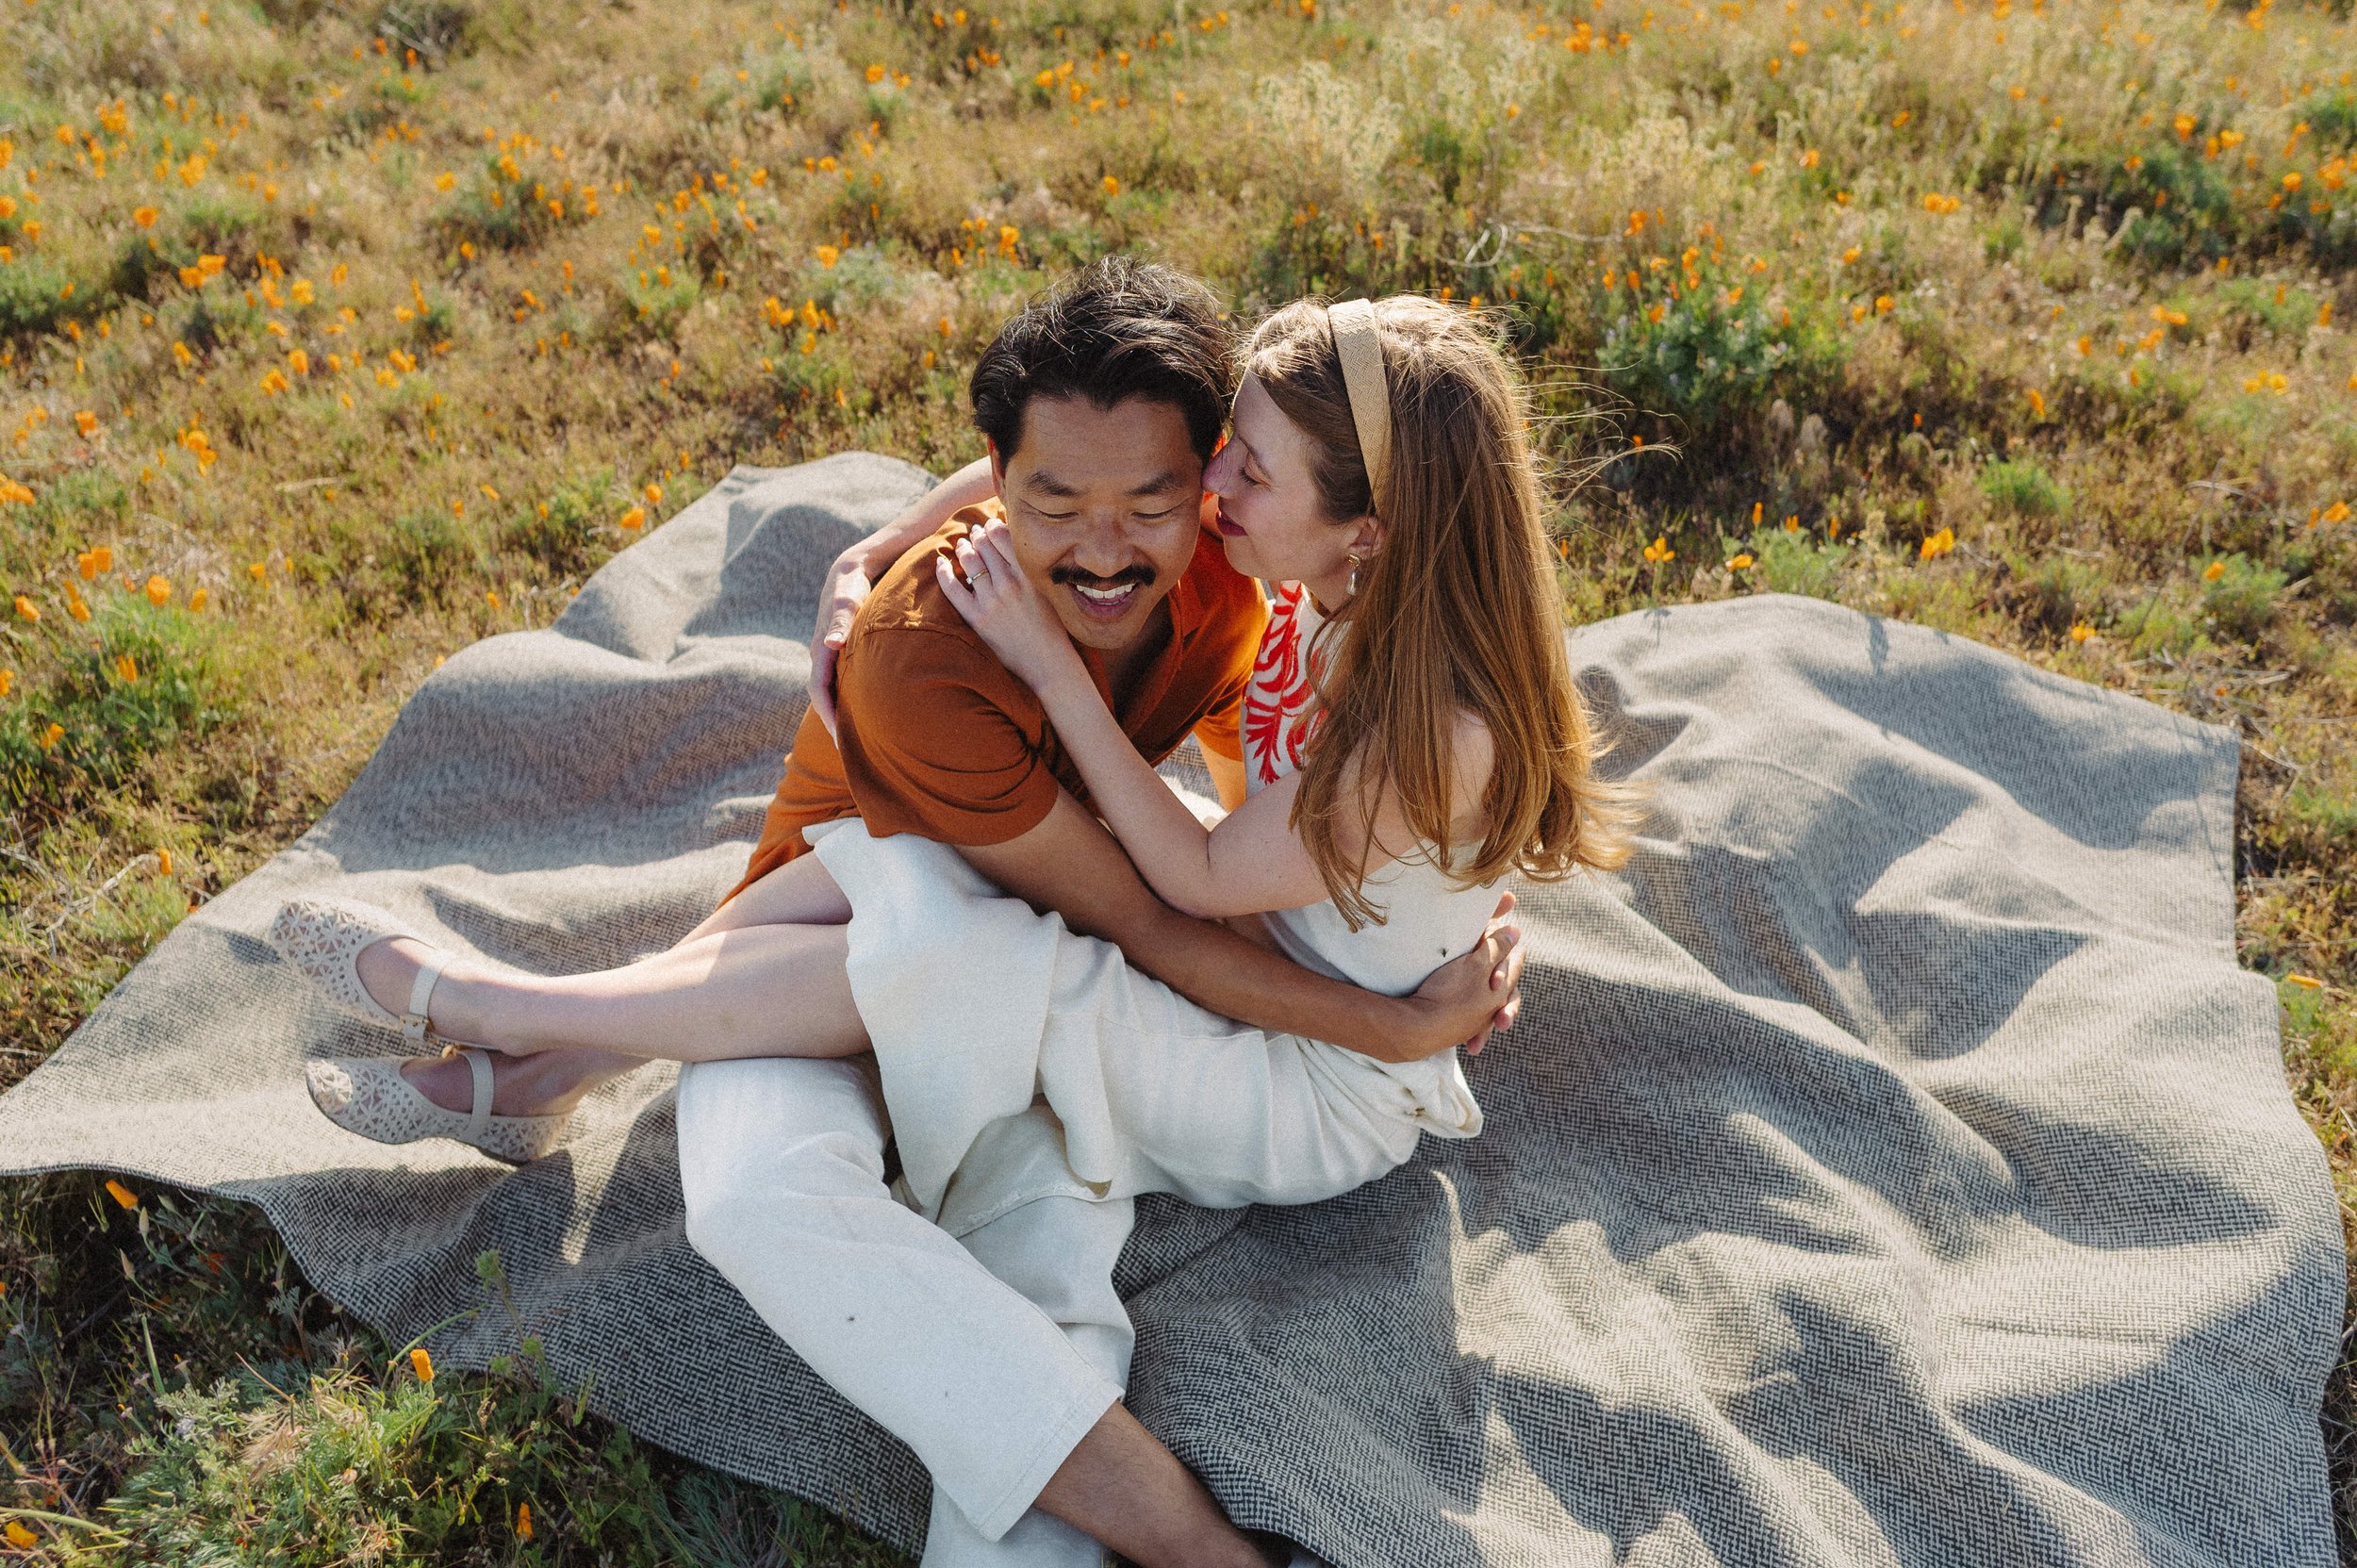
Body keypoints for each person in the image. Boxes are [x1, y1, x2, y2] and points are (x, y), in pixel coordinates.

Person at [270, 261, 1536, 1567]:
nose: (1151, 527)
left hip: (1082, 976)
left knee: (928, 963)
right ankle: (560, 1044)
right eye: (1058, 500)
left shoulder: (1238, 557)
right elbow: (1156, 890)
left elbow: (1175, 905)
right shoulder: (943, 650)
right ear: (1006, 482)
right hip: (823, 931)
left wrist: (1390, 1025)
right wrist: (875, 549)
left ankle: (531, 1023)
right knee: (778, 1166)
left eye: (1192, 485)